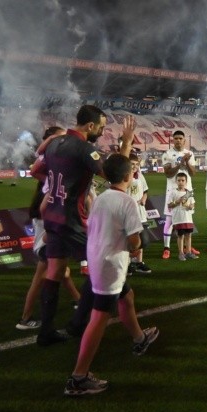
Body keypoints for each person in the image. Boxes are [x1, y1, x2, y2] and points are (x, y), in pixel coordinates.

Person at [31, 105, 136, 346]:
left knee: (54, 272)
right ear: (90, 126)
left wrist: (59, 186)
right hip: (71, 220)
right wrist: (127, 143)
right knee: (99, 268)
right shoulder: (84, 148)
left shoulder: (55, 142)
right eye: (100, 128)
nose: (100, 132)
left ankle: (45, 331)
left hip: (53, 218)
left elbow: (36, 170)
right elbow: (114, 175)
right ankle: (78, 324)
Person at [64, 154, 159, 396]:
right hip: (111, 265)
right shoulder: (127, 202)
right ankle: (78, 377)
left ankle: (139, 339)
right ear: (129, 176)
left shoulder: (101, 198)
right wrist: (137, 242)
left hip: (98, 259)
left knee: (127, 297)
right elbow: (135, 242)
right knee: (98, 319)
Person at [16, 126, 82, 331]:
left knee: (62, 271)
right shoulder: (49, 167)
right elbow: (37, 168)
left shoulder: (53, 171)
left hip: (51, 226)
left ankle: (80, 302)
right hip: (49, 229)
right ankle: (25, 319)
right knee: (43, 276)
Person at [161, 130, 197, 259]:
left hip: (187, 191)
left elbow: (193, 173)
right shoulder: (167, 154)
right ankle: (167, 248)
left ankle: (187, 249)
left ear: (184, 140)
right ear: (172, 140)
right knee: (170, 220)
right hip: (173, 192)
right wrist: (180, 163)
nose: (178, 140)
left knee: (187, 218)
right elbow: (168, 173)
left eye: (180, 138)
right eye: (175, 138)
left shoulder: (190, 153)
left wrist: (186, 162)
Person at [126, 153, 152, 274]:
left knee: (143, 240)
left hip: (141, 213)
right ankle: (129, 264)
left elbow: (145, 191)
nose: (135, 166)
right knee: (130, 240)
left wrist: (144, 199)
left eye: (136, 164)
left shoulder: (140, 176)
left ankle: (139, 262)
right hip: (129, 214)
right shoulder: (123, 177)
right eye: (132, 164)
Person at [167, 173, 197, 261]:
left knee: (189, 235)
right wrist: (177, 202)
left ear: (186, 182)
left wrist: (191, 206)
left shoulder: (188, 192)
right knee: (180, 236)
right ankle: (181, 253)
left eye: (183, 180)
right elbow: (169, 205)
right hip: (178, 218)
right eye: (179, 180)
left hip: (188, 218)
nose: (181, 182)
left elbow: (192, 203)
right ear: (176, 181)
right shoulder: (173, 192)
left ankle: (188, 252)